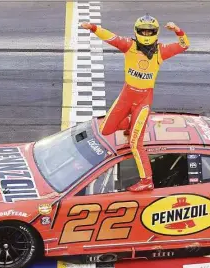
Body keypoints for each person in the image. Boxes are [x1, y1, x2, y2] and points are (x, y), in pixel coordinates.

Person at [81, 14, 190, 192]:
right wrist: (93, 28)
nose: (146, 34)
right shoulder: (129, 46)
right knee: (105, 129)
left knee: (135, 144)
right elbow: (111, 37)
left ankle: (147, 180)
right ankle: (134, 124)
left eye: (150, 31)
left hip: (143, 101)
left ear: (155, 32)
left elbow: (185, 45)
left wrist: (178, 30)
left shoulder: (160, 51)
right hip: (126, 95)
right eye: (143, 31)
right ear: (137, 31)